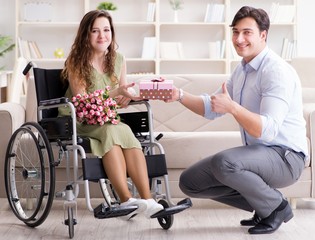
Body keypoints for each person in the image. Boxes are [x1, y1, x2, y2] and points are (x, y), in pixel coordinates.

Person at [165, 6, 308, 234]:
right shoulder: (241, 71)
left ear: (263, 35)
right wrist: (179, 95)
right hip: (261, 155)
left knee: (225, 162)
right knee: (190, 181)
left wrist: (233, 107)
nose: (239, 39)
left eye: (247, 32)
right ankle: (263, 206)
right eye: (235, 32)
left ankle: (276, 207)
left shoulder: (276, 71)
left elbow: (267, 131)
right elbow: (211, 107)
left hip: (286, 157)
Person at [58, 10, 163, 220]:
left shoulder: (119, 59)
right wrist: (116, 93)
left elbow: (120, 95)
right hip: (78, 118)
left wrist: (127, 98)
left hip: (107, 119)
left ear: (112, 33)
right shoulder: (76, 62)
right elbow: (82, 102)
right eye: (95, 31)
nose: (101, 36)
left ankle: (148, 199)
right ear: (85, 35)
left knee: (123, 131)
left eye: (106, 30)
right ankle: (126, 200)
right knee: (112, 132)